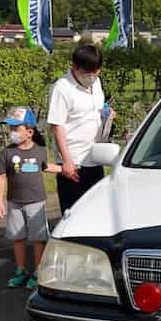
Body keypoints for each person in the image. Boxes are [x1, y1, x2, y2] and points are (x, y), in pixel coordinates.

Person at [0, 107, 61, 289]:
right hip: (14, 203)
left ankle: (38, 272)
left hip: (36, 203)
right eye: (10, 129)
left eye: (16, 129)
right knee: (18, 237)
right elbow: (1, 177)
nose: (12, 133)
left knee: (38, 239)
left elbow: (45, 166)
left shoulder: (40, 150)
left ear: (29, 132)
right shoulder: (7, 153)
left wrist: (66, 169)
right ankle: (20, 270)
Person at [47, 44, 114, 214]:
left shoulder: (97, 83)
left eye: (96, 71)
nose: (92, 76)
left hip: (95, 158)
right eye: (87, 72)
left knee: (95, 212)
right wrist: (67, 161)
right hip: (74, 163)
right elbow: (57, 126)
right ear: (75, 67)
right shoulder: (62, 88)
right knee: (74, 214)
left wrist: (108, 115)